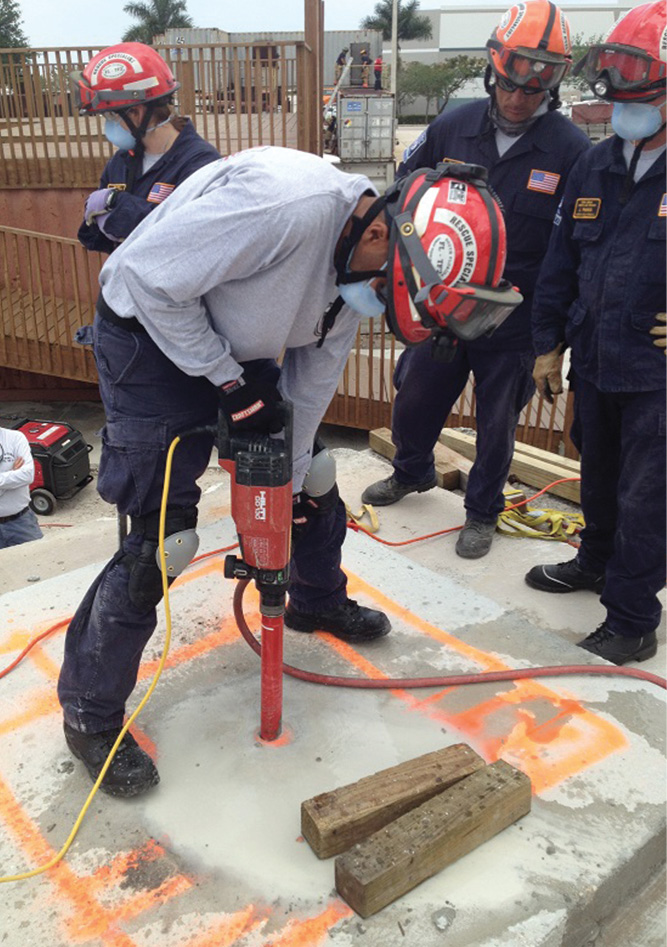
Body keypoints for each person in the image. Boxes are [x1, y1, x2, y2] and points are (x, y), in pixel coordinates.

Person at [56, 149, 514, 797]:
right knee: (163, 541)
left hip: (224, 342)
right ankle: (88, 711)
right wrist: (225, 381)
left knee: (314, 475)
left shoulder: (370, 258)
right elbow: (147, 279)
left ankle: (315, 600)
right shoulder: (282, 207)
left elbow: (309, 387)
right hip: (148, 337)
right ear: (379, 232)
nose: (376, 303)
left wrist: (285, 486)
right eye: (387, 292)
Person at [362, 0, 591, 560]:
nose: (517, 99)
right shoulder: (452, 126)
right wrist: (393, 270)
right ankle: (412, 470)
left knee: (495, 423)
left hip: (514, 317)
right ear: (493, 71)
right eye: (509, 86)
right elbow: (404, 194)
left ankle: (482, 512)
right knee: (415, 396)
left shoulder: (570, 151)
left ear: (552, 88)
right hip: (441, 301)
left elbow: (574, 252)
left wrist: (552, 339)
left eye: (532, 92)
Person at [525, 1, 666, 665]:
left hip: (656, 377)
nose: (621, 107)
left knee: (646, 497)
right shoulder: (597, 163)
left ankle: (633, 619)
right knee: (599, 472)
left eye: (638, 86)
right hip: (597, 359)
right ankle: (593, 561)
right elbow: (560, 262)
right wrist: (547, 343)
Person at [73, 42, 220, 255]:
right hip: (124, 282)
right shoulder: (122, 161)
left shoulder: (200, 164)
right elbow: (93, 236)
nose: (108, 125)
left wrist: (117, 203)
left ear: (136, 113)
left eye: (111, 115)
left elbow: (185, 238)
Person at [0, 426, 43, 549]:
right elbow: (20, 477)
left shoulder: (15, 438)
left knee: (38, 561)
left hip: (21, 523)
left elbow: (27, 475)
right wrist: (13, 473)